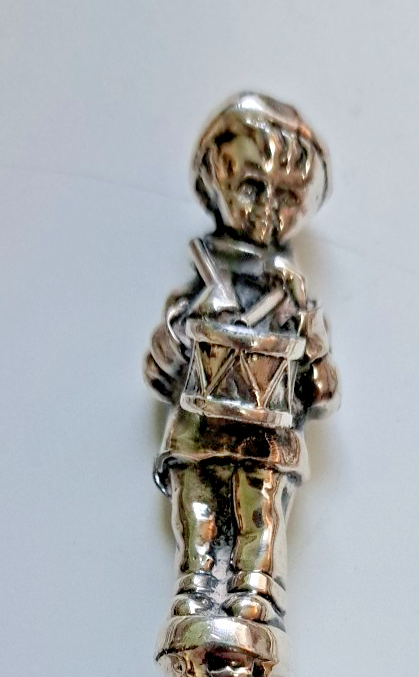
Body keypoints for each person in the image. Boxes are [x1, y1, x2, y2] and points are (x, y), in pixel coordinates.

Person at [145, 93, 339, 632]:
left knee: (260, 512)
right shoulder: (196, 291)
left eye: (288, 197)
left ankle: (258, 588)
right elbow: (160, 372)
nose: (268, 209)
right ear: (216, 184)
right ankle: (196, 585)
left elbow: (322, 394)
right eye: (252, 187)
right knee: (197, 512)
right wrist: (188, 324)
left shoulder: (296, 301)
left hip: (266, 440)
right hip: (198, 433)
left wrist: (310, 335)